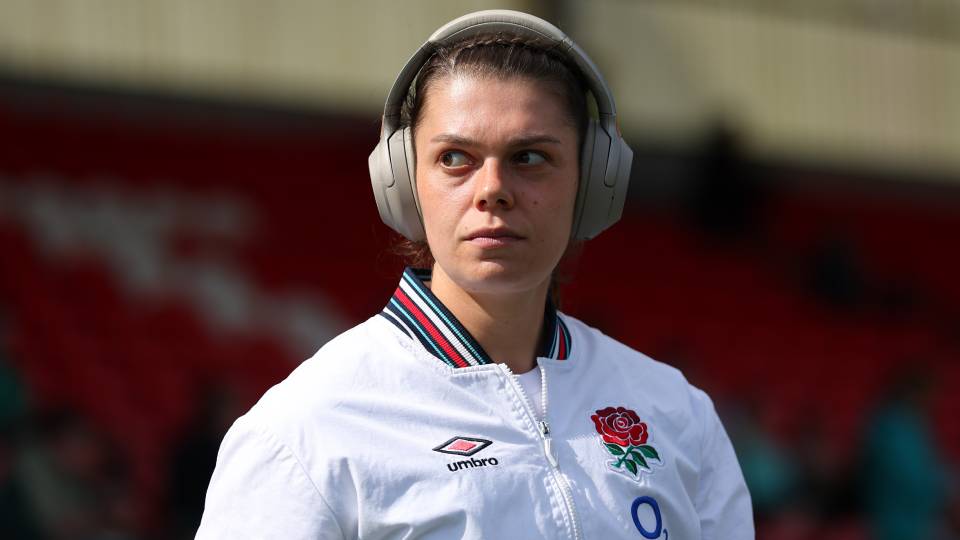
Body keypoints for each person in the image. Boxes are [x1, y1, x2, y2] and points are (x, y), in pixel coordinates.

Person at [197, 10, 753, 539]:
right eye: (456, 158)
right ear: (403, 181)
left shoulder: (679, 415)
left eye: (530, 157)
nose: (493, 189)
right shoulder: (303, 433)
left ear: (591, 183)